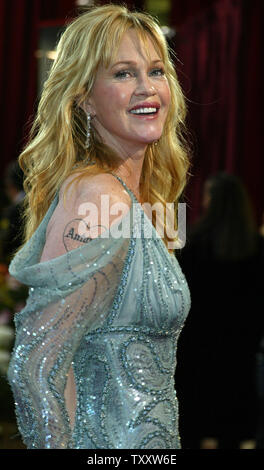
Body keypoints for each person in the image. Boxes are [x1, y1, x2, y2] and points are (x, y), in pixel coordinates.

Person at [6, 4, 191, 449]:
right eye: (123, 74)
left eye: (156, 71)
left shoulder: (142, 199)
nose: (146, 89)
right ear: (85, 96)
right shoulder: (99, 197)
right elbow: (37, 367)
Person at [175, 172, 264, 449]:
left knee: (195, 417)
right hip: (242, 343)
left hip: (197, 341)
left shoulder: (191, 243)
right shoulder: (257, 246)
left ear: (211, 201)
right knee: (233, 419)